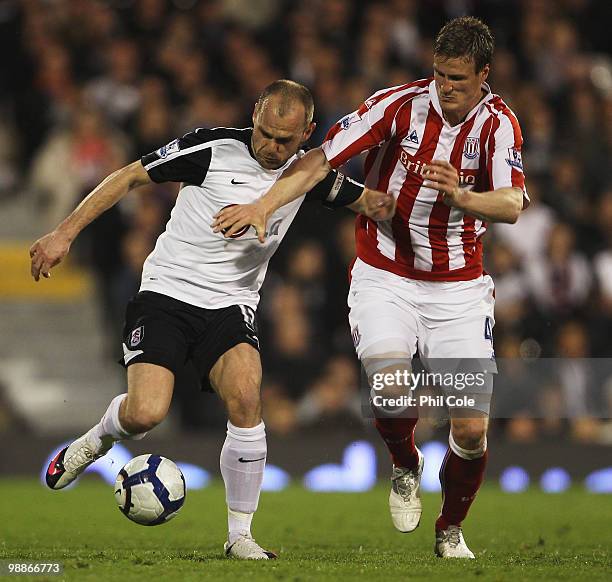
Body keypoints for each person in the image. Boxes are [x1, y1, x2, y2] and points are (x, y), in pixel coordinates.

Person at [30, 80, 395, 560]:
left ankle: (240, 536)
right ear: (255, 114)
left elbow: (374, 204)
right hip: (167, 293)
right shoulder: (211, 147)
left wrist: (441, 198)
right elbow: (128, 177)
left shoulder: (309, 174)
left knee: (246, 398)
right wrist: (64, 232)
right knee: (144, 414)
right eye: (264, 132)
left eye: (285, 140)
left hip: (231, 304)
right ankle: (96, 440)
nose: (271, 146)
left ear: (307, 133)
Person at [213, 18, 527, 559]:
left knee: (472, 430)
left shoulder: (500, 126)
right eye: (438, 74)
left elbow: (513, 204)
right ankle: (406, 464)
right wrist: (264, 206)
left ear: (483, 75)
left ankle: (449, 529)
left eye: (456, 78)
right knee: (390, 385)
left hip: (459, 288)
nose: (445, 87)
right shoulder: (400, 106)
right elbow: (321, 158)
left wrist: (463, 198)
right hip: (385, 273)